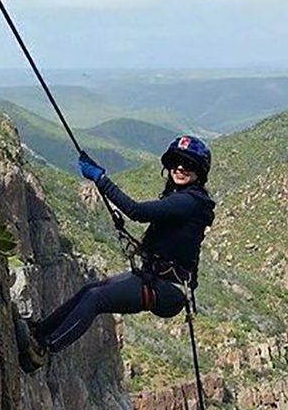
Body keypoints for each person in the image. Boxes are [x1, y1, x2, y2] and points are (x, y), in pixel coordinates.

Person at [16, 135, 215, 373]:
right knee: (89, 290)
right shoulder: (183, 199)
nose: (180, 168)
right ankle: (40, 331)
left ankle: (42, 350)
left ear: (199, 171)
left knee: (95, 299)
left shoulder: (189, 202)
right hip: (156, 278)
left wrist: (100, 179)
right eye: (176, 161)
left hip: (166, 288)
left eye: (189, 164)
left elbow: (136, 211)